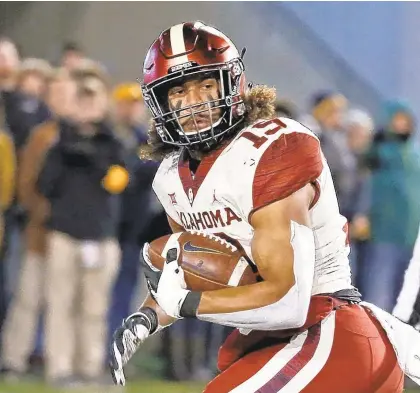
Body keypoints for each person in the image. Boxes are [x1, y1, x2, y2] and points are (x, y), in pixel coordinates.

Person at [109, 22, 420, 392]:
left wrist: (187, 304)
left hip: (328, 331)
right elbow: (198, 267)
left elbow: (289, 301)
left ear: (233, 83)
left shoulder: (274, 148)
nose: (195, 102)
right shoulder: (170, 177)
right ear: (160, 102)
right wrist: (150, 315)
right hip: (270, 340)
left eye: (206, 84)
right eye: (178, 91)